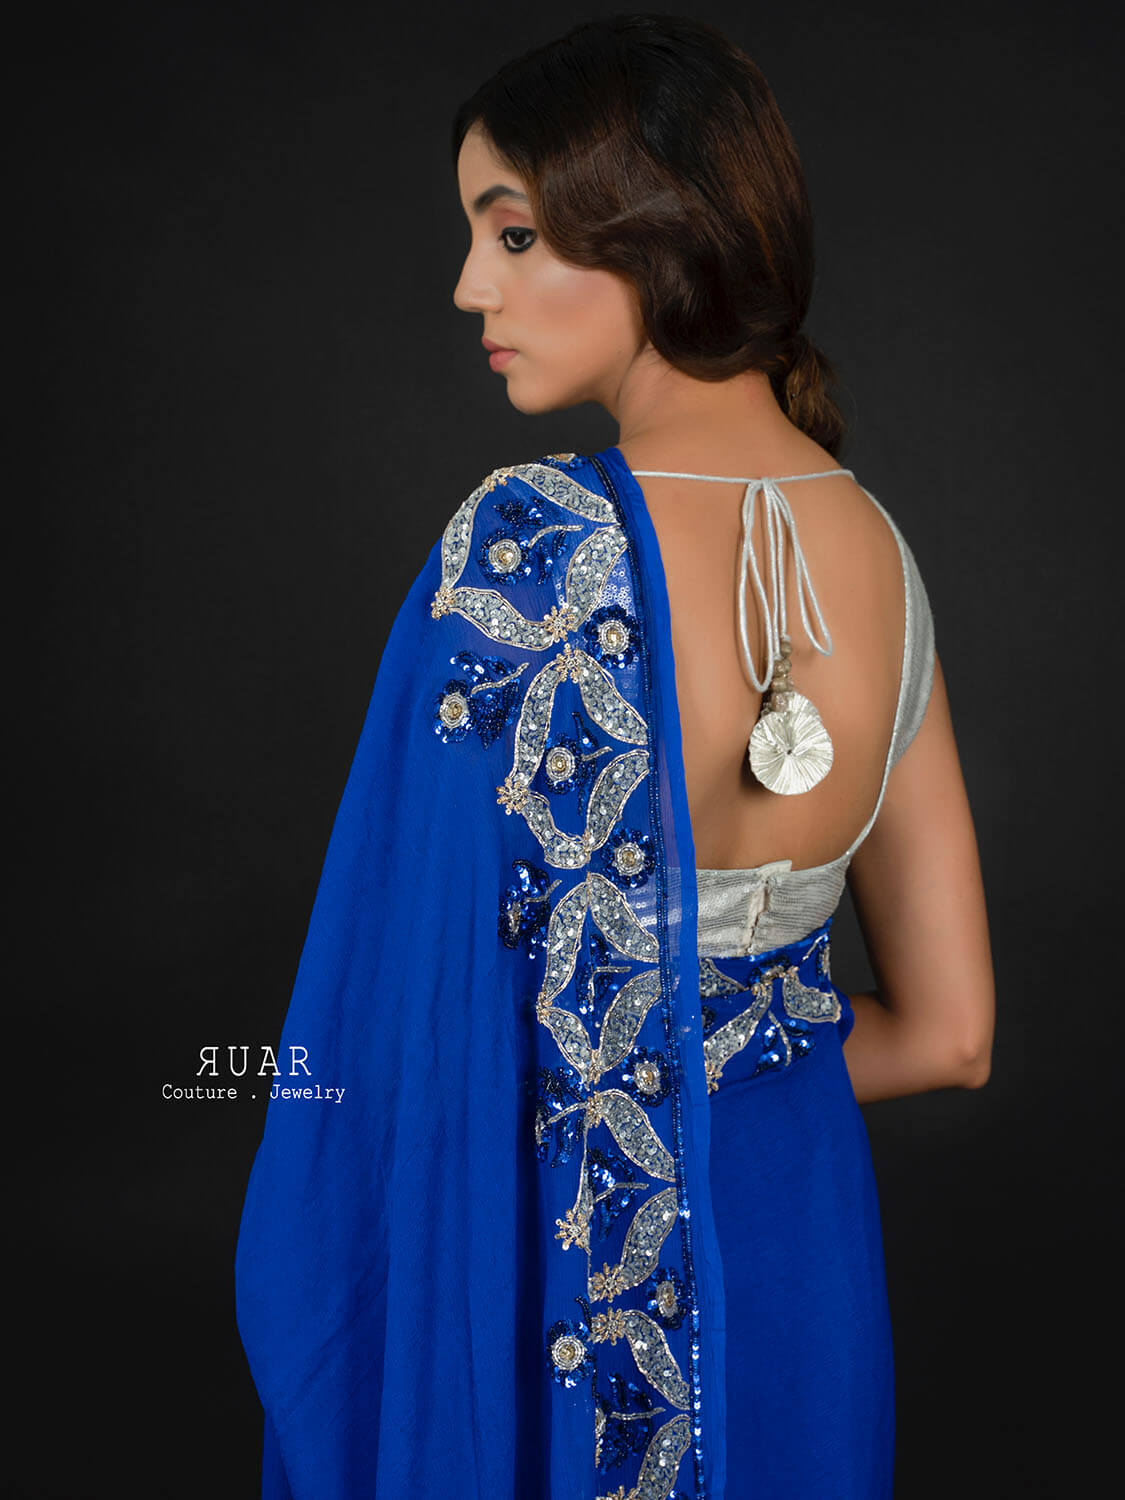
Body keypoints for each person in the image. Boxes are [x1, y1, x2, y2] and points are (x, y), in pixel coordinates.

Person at [234, 14, 995, 1499]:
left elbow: (393, 1028)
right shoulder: (884, 560)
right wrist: (742, 1066)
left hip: (556, 1263)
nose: (471, 286)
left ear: (656, 235)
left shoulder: (531, 546)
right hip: (798, 1255)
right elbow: (952, 1037)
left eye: (513, 234)